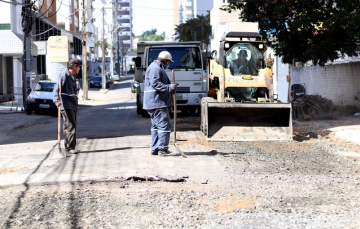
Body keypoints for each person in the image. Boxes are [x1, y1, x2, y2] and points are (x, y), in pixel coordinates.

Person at [143, 51, 177, 156]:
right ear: (165, 61)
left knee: (156, 126)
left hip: (155, 102)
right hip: (157, 102)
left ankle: (156, 148)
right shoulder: (155, 68)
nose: (168, 64)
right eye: (168, 62)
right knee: (164, 125)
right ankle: (162, 149)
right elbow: (156, 83)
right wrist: (170, 87)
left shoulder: (156, 67)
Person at [53, 58, 82, 154]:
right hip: (66, 105)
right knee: (70, 126)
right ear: (74, 66)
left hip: (72, 104)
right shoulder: (64, 76)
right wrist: (57, 101)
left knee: (71, 125)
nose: (79, 69)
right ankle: (70, 147)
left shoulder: (73, 77)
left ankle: (70, 146)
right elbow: (56, 90)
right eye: (79, 67)